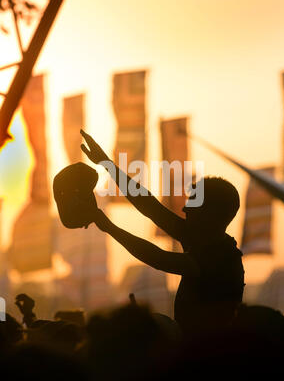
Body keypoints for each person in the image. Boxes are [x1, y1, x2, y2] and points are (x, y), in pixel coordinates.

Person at [79, 130, 245, 335]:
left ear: (210, 213)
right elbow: (149, 205)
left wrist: (109, 227)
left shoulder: (218, 257)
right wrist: (106, 164)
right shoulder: (203, 239)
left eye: (192, 204)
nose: (184, 210)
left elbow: (159, 258)